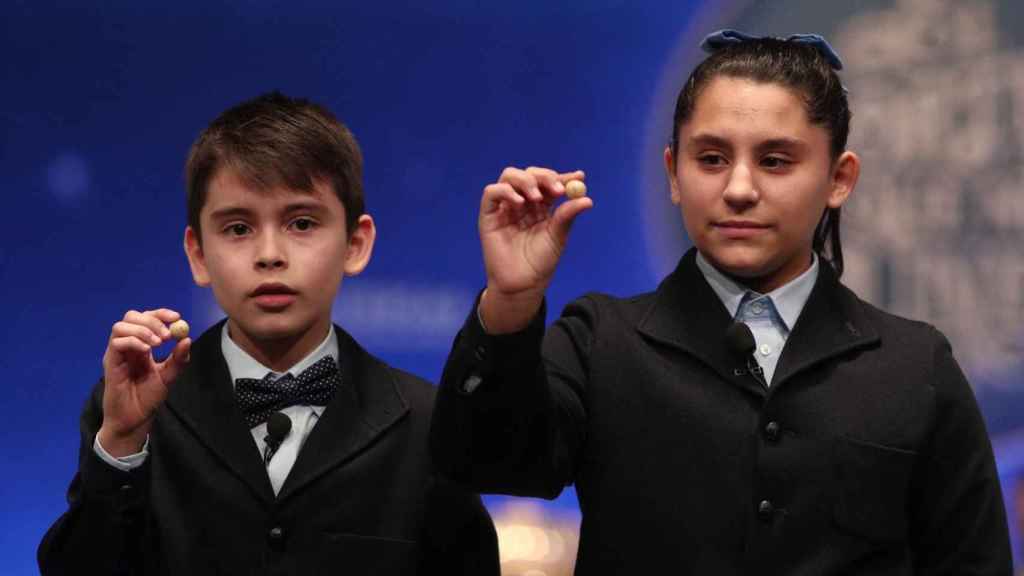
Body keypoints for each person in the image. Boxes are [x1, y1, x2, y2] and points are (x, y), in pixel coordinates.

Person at [429, 30, 1011, 574]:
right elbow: (480, 461)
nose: (738, 189)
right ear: (673, 173)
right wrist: (511, 299)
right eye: (710, 159)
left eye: (775, 161)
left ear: (839, 178)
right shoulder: (601, 340)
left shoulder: (916, 366)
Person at [39, 92, 499, 575]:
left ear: (355, 244)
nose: (269, 254)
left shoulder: (428, 424)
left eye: (301, 223)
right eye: (238, 228)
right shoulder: (134, 412)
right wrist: (122, 444)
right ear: (198, 254)